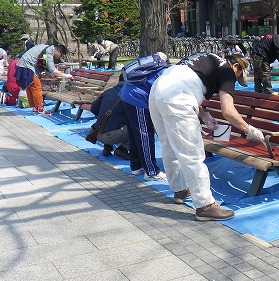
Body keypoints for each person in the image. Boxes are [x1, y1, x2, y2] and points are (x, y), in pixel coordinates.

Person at [149, 52, 265, 221]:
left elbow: (184, 80)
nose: (235, 80)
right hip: (178, 96)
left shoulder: (207, 57)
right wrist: (249, 130)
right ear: (236, 66)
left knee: (168, 145)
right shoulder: (228, 71)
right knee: (193, 154)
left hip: (158, 89)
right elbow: (228, 111)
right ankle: (205, 206)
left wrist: (203, 114)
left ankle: (180, 189)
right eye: (238, 76)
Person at [119, 53, 169, 181]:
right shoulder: (165, 73)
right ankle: (151, 172)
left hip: (127, 95)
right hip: (138, 99)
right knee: (144, 135)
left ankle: (136, 166)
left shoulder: (152, 68)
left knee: (134, 133)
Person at [15, 43, 72, 114]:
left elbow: (46, 66)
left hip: (23, 66)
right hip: (28, 67)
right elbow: (52, 70)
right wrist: (66, 75)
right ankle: (40, 108)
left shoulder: (47, 48)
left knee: (31, 87)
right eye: (61, 55)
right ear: (58, 51)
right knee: (37, 88)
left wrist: (52, 75)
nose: (60, 57)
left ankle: (36, 107)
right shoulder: (49, 51)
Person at [89, 78, 131, 159]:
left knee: (111, 120)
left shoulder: (108, 91)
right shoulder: (128, 95)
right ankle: (123, 149)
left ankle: (107, 148)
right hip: (110, 136)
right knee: (141, 129)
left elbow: (93, 109)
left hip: (96, 132)